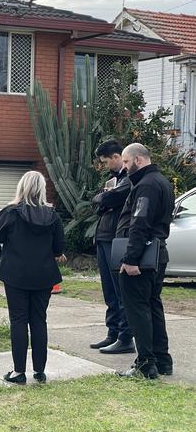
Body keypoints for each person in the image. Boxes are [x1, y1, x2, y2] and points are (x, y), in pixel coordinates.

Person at [0, 171, 65, 385]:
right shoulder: (52, 216)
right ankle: (40, 371)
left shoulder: (10, 212)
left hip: (15, 273)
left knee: (18, 320)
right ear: (41, 189)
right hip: (43, 274)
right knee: (39, 320)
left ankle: (18, 372)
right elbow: (59, 248)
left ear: (21, 187)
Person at [116, 143, 174, 379]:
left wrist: (130, 259)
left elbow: (139, 223)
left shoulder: (146, 185)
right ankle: (162, 360)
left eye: (127, 162)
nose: (124, 167)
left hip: (142, 258)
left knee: (137, 309)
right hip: (157, 254)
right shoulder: (163, 182)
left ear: (138, 160)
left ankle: (146, 362)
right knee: (153, 306)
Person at [90, 139, 134, 354]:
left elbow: (111, 198)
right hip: (104, 237)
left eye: (106, 161)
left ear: (117, 157)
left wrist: (103, 198)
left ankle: (126, 337)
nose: (104, 165)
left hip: (116, 239)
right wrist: (103, 198)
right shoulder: (114, 180)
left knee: (119, 290)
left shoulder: (127, 180)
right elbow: (99, 201)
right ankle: (113, 333)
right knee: (109, 290)